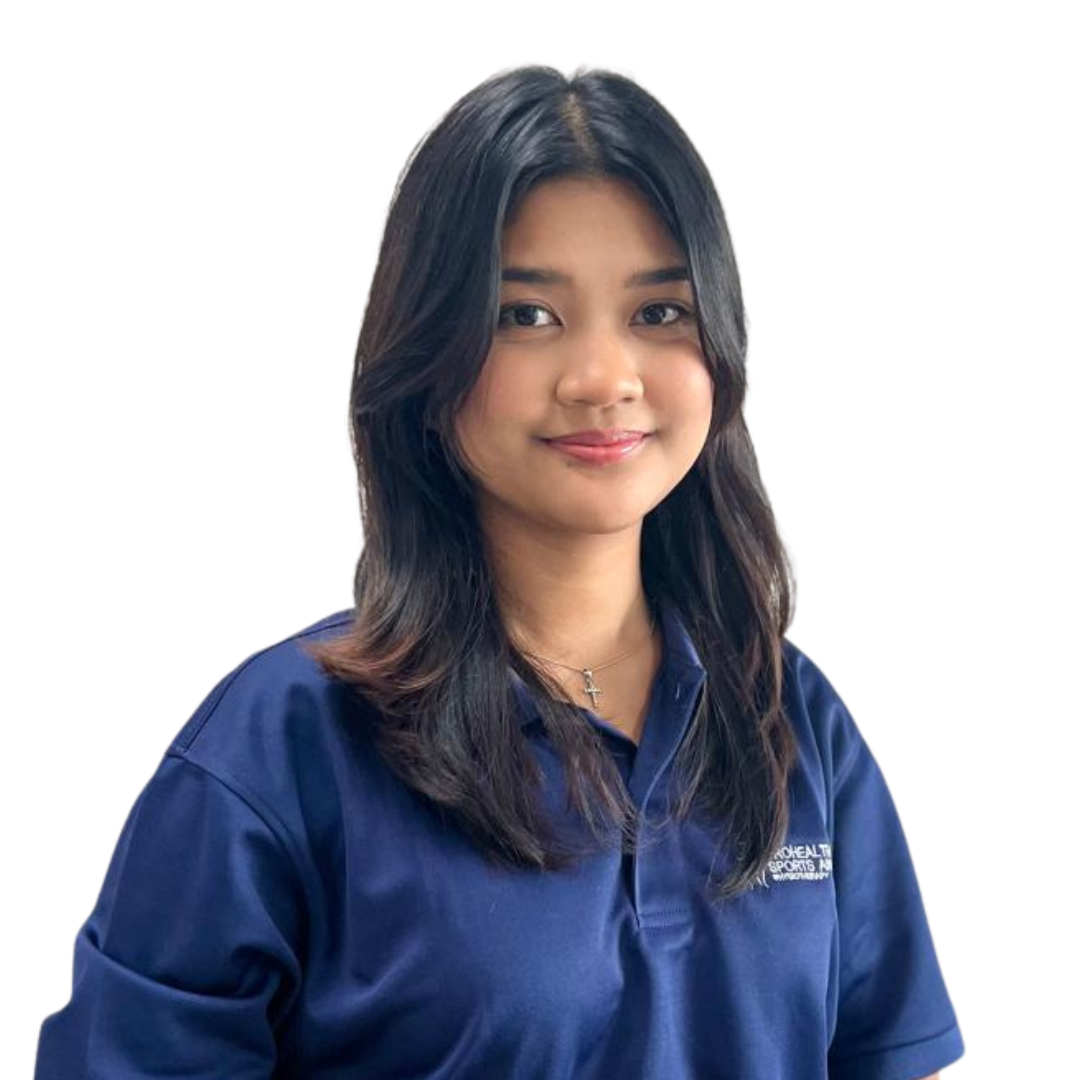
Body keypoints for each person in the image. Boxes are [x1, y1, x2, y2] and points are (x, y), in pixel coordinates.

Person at [34, 64, 964, 1079]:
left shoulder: (789, 720)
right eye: (527, 316)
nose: (603, 379)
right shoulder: (285, 745)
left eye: (660, 312)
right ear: (428, 355)